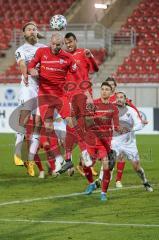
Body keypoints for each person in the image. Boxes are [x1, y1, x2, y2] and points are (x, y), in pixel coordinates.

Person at [28, 32, 78, 176]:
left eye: (59, 45)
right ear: (50, 42)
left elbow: (76, 75)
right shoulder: (41, 52)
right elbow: (31, 66)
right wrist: (33, 72)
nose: (56, 47)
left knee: (71, 122)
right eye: (54, 44)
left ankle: (68, 156)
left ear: (62, 44)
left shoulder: (67, 58)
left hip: (60, 96)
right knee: (48, 127)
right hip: (44, 96)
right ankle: (59, 159)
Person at [64, 32, 99, 175]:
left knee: (90, 129)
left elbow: (96, 69)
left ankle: (83, 162)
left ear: (75, 41)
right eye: (66, 43)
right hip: (71, 96)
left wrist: (91, 57)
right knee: (72, 128)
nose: (68, 45)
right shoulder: (64, 57)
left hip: (86, 95)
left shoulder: (84, 53)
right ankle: (68, 160)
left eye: (70, 42)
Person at [14, 21, 46, 176]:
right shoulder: (21, 50)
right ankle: (17, 153)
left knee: (39, 122)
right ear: (24, 33)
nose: (32, 31)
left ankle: (31, 159)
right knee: (25, 118)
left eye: (34, 29)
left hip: (44, 88)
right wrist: (27, 72)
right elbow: (21, 65)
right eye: (29, 29)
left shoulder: (44, 48)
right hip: (28, 85)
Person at [83, 82, 120, 201]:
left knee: (106, 167)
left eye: (107, 90)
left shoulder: (114, 108)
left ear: (111, 92)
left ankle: (103, 193)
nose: (104, 91)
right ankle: (91, 183)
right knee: (85, 164)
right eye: (102, 89)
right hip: (92, 140)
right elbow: (87, 122)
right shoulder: (93, 104)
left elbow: (117, 126)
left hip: (105, 142)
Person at [111, 91, 153, 192]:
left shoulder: (131, 111)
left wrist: (131, 129)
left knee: (137, 167)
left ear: (125, 100)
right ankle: (101, 185)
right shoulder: (111, 110)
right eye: (118, 97)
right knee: (108, 163)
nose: (119, 99)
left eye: (122, 97)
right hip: (115, 141)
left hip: (129, 143)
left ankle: (145, 181)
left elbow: (139, 124)